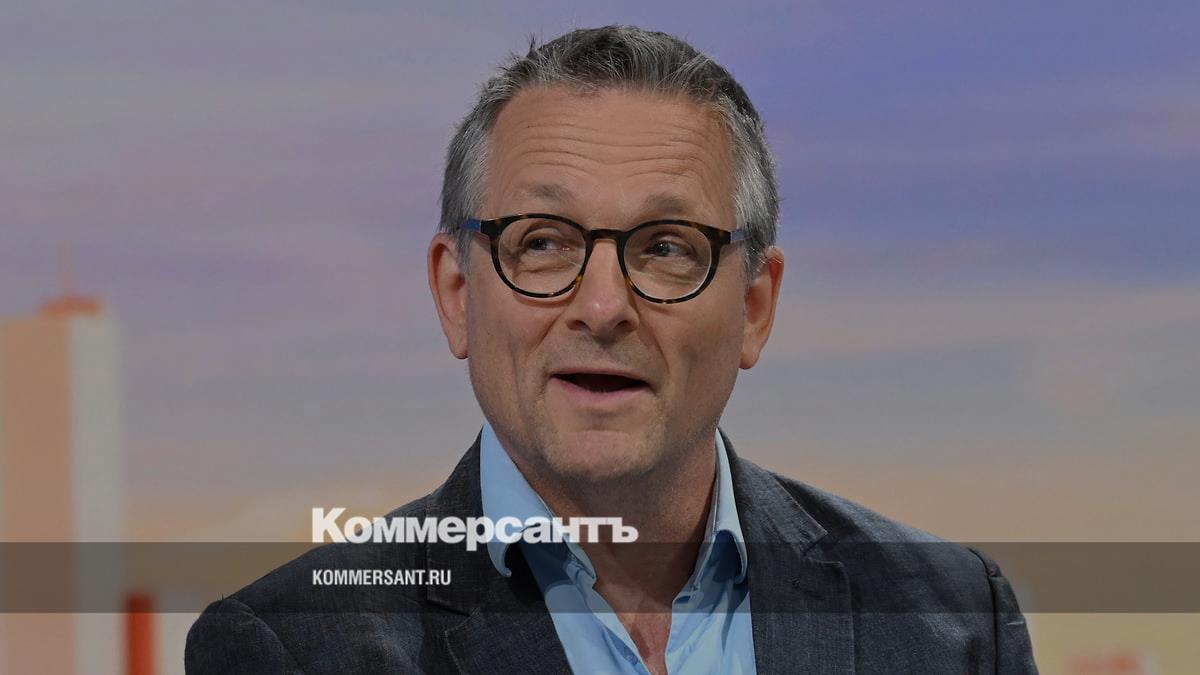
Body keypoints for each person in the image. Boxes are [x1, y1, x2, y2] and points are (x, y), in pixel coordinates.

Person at [186, 25, 1038, 674]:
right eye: (542, 242)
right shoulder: (291, 648)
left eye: (666, 247)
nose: (602, 308)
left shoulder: (954, 622)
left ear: (754, 306)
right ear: (456, 293)